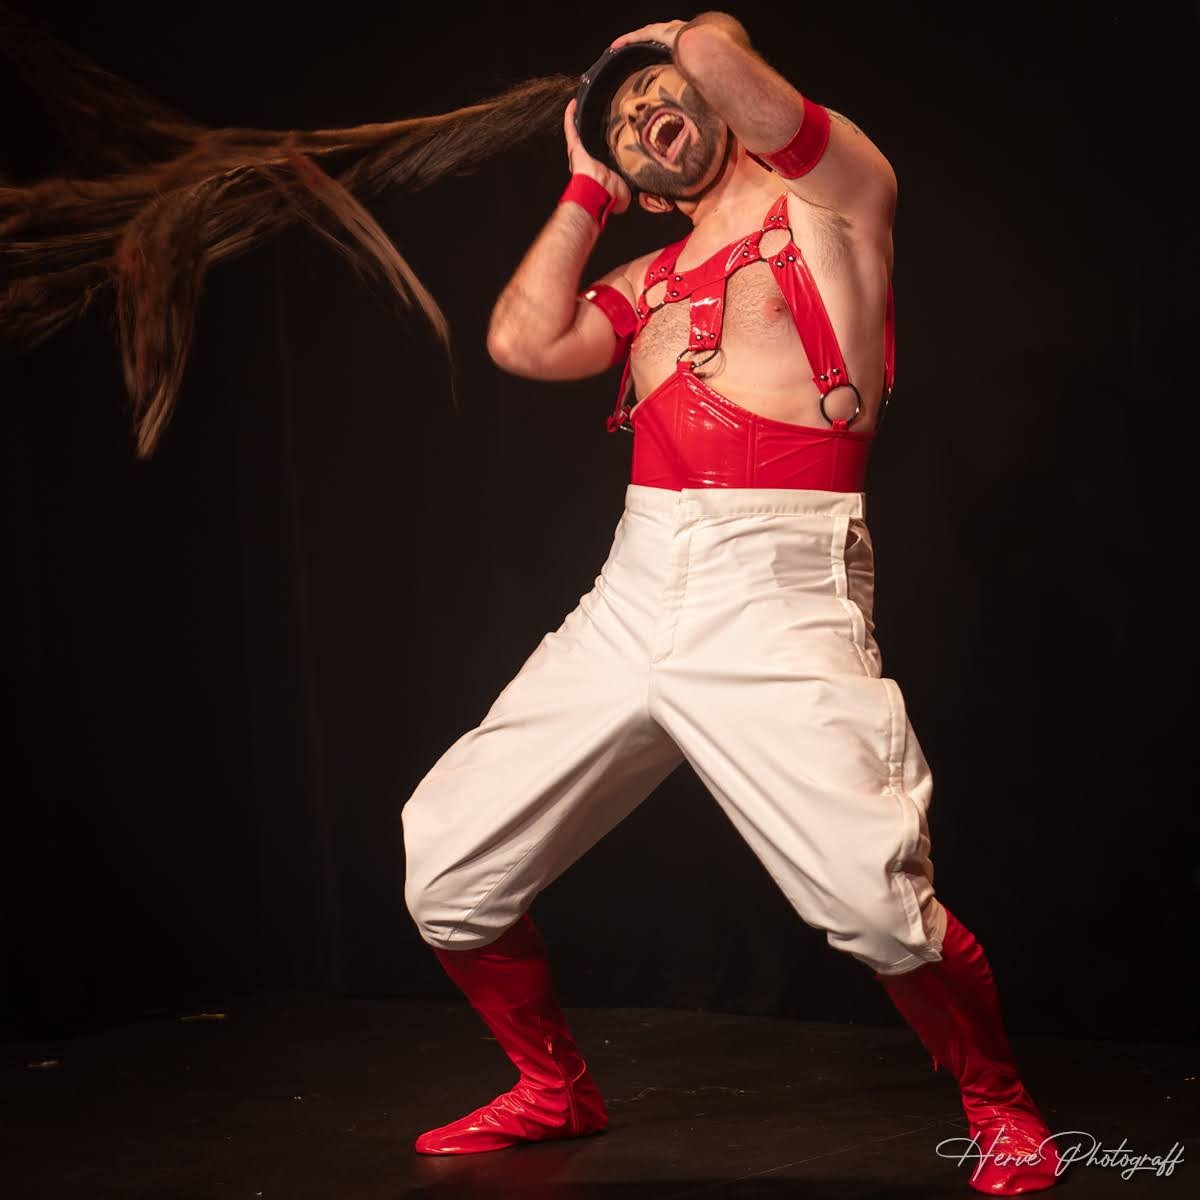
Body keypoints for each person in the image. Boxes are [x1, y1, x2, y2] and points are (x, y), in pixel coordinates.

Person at [399, 12, 1060, 1195]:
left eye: (658, 92)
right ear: (638, 182)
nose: (647, 116)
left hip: (779, 581)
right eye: (622, 127)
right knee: (446, 869)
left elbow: (710, 59)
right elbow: (521, 341)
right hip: (635, 585)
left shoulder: (836, 202)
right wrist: (587, 185)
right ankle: (553, 1089)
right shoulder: (643, 279)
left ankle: (998, 1103)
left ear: (714, 95)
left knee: (875, 907)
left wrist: (676, 43)